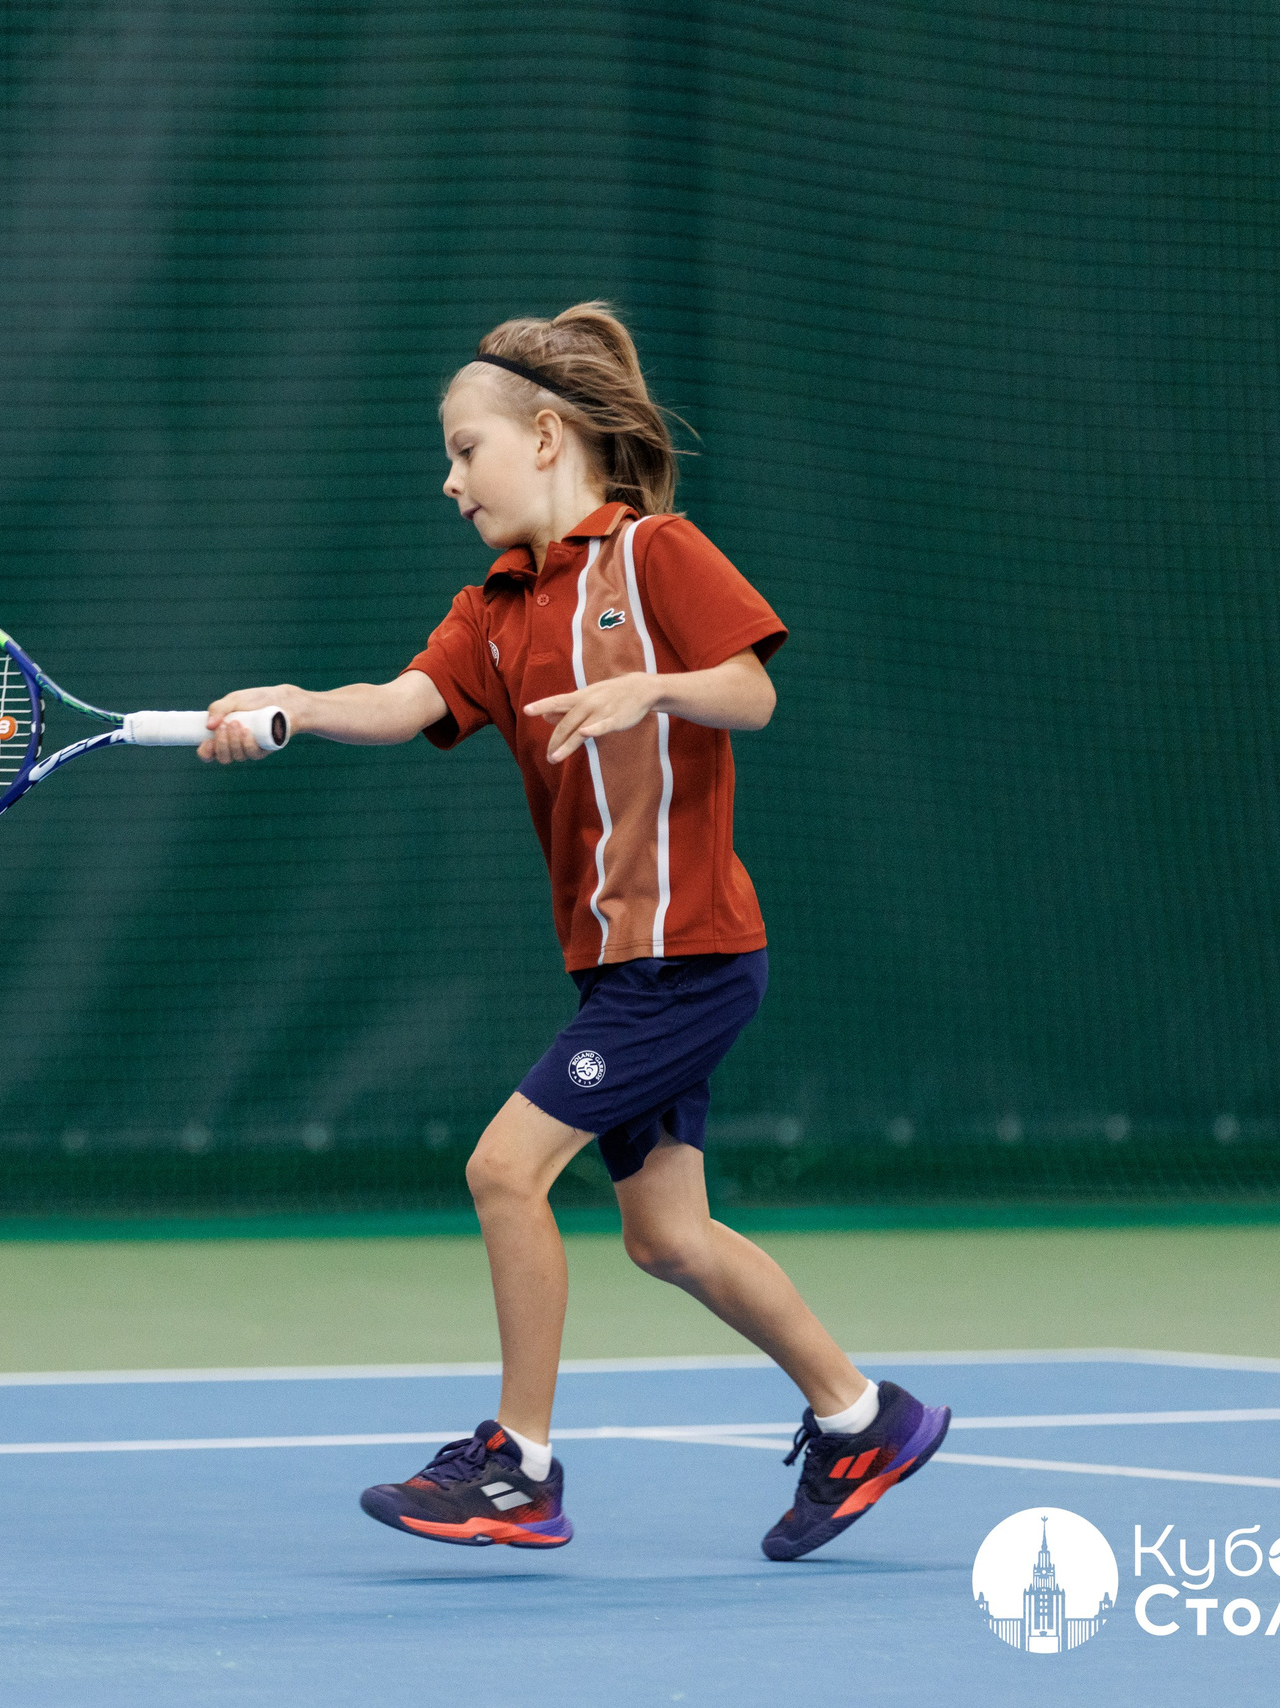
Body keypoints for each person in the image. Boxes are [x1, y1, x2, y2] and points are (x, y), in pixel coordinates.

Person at [197, 302, 947, 1561]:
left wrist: (652, 682)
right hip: (627, 966)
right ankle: (863, 1416)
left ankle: (517, 1467)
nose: (448, 481)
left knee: (505, 1169)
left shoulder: (654, 555)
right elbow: (405, 699)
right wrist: (298, 703)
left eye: (462, 450)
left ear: (545, 437)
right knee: (665, 1237)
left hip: (687, 956)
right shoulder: (496, 606)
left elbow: (752, 690)